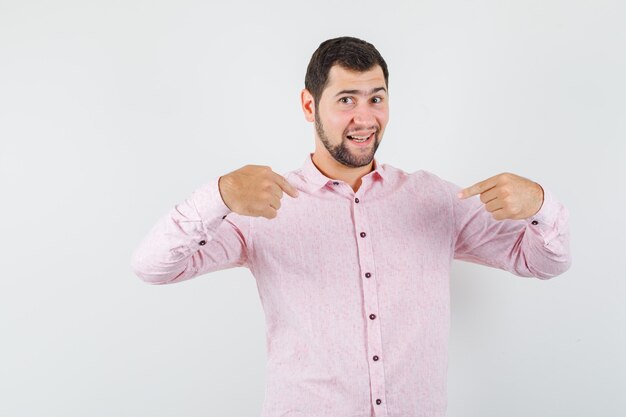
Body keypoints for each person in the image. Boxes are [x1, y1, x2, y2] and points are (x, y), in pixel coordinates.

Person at [131, 36, 571, 417]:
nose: (365, 118)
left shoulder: (434, 200)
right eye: (346, 100)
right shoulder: (265, 205)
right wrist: (220, 195)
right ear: (309, 105)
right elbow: (153, 266)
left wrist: (540, 203)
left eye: (376, 98)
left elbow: (545, 262)